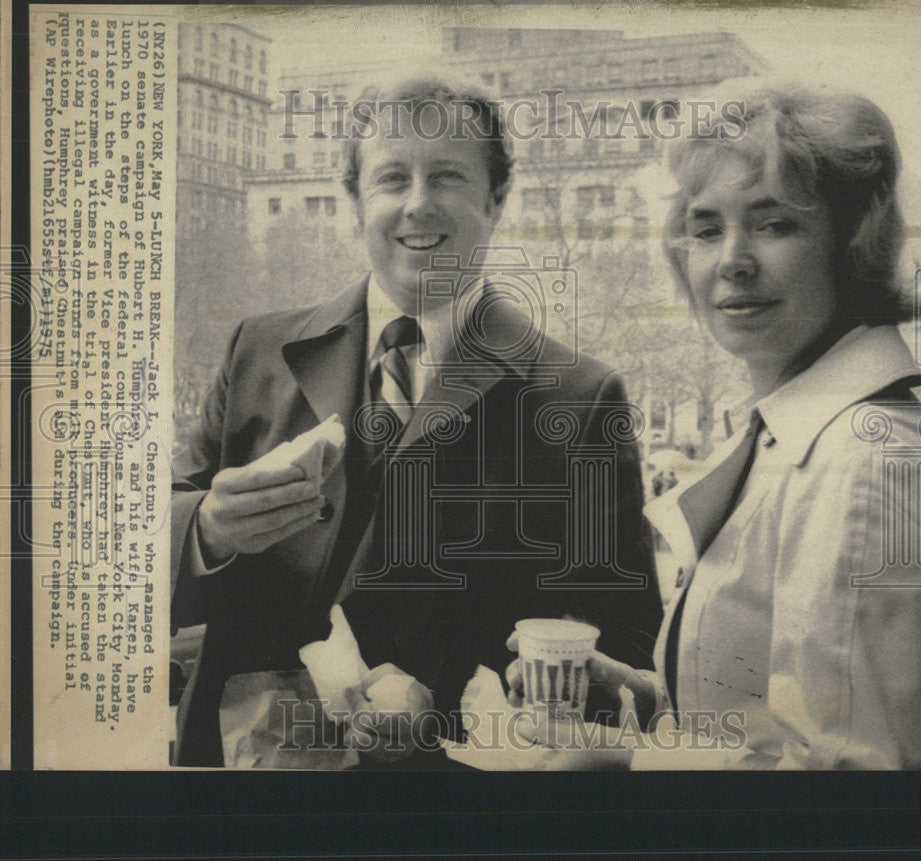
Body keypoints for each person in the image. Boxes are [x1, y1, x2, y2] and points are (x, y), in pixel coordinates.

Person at [170, 72, 661, 766]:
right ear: (354, 201)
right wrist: (209, 529)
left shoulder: (579, 397)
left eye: (449, 178)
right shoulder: (257, 348)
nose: (418, 205)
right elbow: (141, 556)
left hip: (437, 804)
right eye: (392, 178)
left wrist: (453, 713)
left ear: (496, 200)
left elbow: (625, 655)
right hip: (230, 778)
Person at [506, 80, 921, 770]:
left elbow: (855, 793)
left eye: (774, 222)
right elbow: (766, 725)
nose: (731, 258)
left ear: (852, 243)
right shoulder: (794, 429)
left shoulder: (869, 460)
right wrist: (633, 694)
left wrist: (623, 760)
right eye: (705, 228)